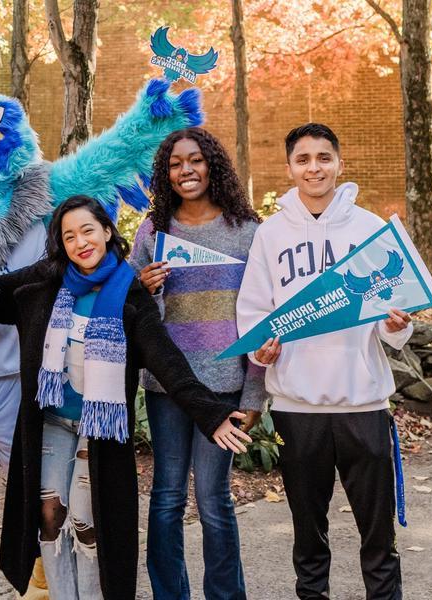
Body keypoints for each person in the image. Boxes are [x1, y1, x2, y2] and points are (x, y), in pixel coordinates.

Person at [0, 195, 252, 599]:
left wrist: (210, 412)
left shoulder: (130, 295)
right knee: (47, 514)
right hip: (51, 423)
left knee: (87, 518)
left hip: (98, 431)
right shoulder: (47, 281)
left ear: (107, 231)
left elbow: (168, 362)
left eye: (88, 230)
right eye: (70, 235)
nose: (81, 242)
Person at [236, 123, 413, 600]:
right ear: (290, 168)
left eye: (323, 157)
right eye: (303, 159)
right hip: (299, 408)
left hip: (363, 404)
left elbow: (393, 310)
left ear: (339, 163)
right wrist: (261, 348)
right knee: (308, 534)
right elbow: (254, 309)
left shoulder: (371, 228)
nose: (314, 167)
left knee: (378, 534)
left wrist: (396, 326)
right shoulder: (271, 235)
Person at [131, 127, 266, 600]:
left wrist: (254, 396)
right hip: (168, 385)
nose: (185, 170)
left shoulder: (248, 232)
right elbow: (127, 309)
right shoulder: (153, 230)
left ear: (213, 165)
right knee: (166, 498)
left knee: (213, 501)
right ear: (165, 174)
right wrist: (144, 289)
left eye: (195, 160)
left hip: (224, 385)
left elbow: (262, 321)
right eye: (175, 164)